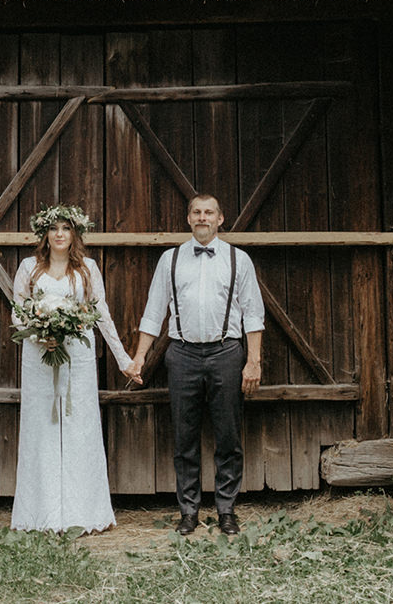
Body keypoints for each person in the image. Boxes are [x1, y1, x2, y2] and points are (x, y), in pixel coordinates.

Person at [126, 193, 264, 536]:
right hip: (183, 354)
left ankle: (226, 511)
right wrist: (140, 356)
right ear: (188, 219)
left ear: (220, 219)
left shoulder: (238, 259)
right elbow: (153, 312)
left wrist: (253, 361)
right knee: (184, 437)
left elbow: (254, 315)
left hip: (226, 354)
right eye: (197, 212)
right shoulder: (170, 260)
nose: (202, 217)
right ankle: (188, 511)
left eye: (209, 212)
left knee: (228, 436)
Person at [9, 204, 134, 533]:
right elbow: (17, 313)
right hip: (40, 357)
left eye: (66, 229)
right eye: (54, 229)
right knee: (42, 428)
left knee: (80, 427)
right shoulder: (29, 268)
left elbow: (101, 313)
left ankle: (81, 513)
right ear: (45, 234)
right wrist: (41, 333)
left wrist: (122, 358)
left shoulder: (88, 269)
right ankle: (42, 514)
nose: (60, 234)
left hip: (78, 356)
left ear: (74, 233)